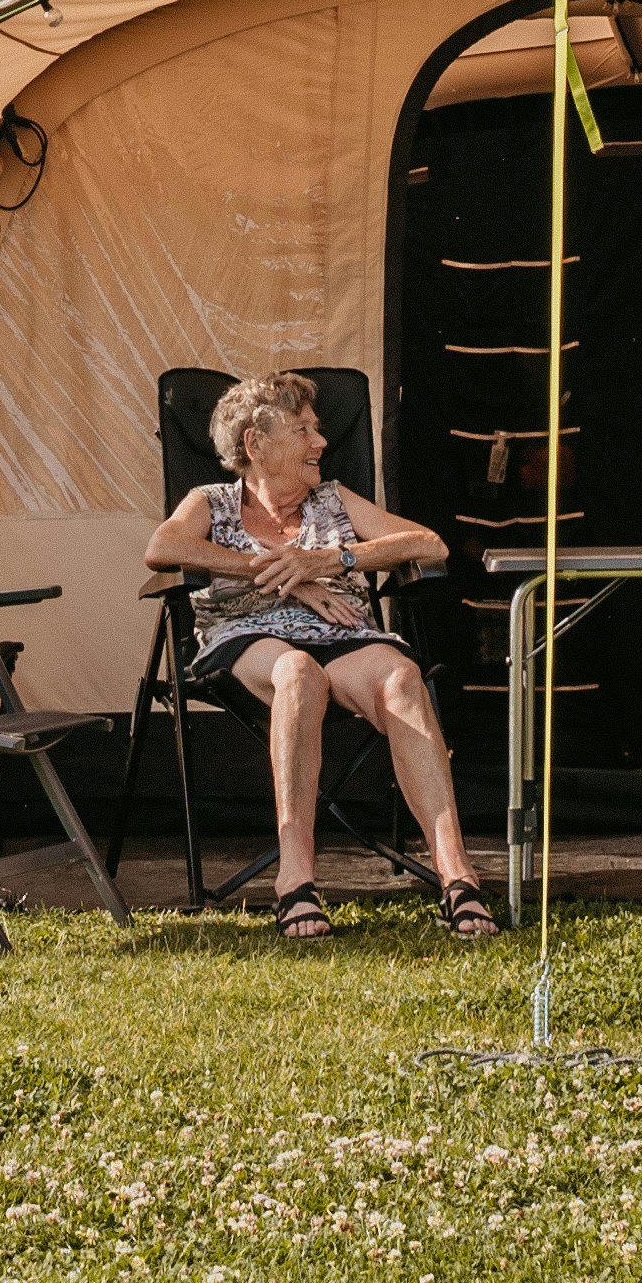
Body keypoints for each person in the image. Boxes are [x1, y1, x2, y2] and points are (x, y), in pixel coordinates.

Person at [141, 371, 495, 942]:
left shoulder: (332, 499)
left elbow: (429, 543)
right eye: (303, 430)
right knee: (297, 673)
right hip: (248, 638)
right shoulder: (211, 502)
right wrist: (279, 573)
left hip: (344, 638)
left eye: (319, 429)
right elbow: (163, 549)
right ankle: (296, 878)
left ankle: (457, 877)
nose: (321, 443)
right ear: (256, 444)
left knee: (403, 679)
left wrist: (330, 560)